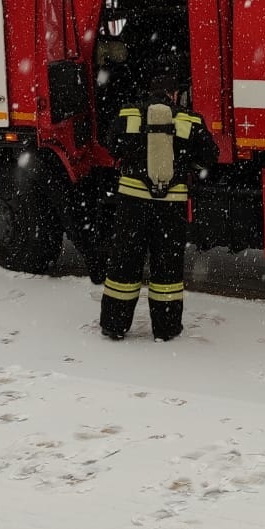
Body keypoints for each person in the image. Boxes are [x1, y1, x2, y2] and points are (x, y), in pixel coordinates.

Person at [98, 61, 217, 342]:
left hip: (132, 203)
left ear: (149, 93)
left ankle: (114, 325)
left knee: (124, 264)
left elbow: (110, 142)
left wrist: (132, 154)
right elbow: (210, 154)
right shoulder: (189, 120)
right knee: (167, 267)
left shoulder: (129, 114)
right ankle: (166, 328)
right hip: (170, 207)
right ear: (174, 95)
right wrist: (187, 162)